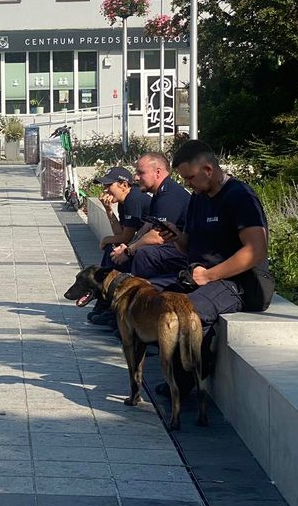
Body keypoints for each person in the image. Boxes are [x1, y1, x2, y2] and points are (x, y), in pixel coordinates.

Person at [154, 140, 272, 396]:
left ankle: (188, 378)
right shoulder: (198, 198)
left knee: (189, 310)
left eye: (190, 177)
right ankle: (177, 369)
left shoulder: (240, 196)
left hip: (240, 281)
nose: (187, 184)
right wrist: (176, 237)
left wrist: (209, 275)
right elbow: (190, 246)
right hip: (203, 276)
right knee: (151, 296)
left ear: (208, 169)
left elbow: (256, 250)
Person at [117, 151, 192, 285]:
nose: (136, 177)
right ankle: (109, 298)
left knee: (144, 254)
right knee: (115, 251)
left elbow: (158, 236)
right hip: (171, 247)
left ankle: (139, 296)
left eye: (140, 173)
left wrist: (129, 251)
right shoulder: (159, 193)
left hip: (185, 251)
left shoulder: (169, 194)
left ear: (157, 172)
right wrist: (127, 247)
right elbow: (148, 226)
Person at [86, 166, 150, 324]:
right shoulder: (124, 201)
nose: (105, 190)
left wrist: (106, 239)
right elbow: (121, 233)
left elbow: (125, 238)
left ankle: (107, 303)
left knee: (112, 251)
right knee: (111, 250)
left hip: (148, 252)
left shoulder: (134, 199)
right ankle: (105, 302)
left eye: (109, 186)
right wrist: (108, 210)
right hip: (137, 246)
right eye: (104, 186)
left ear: (124, 185)